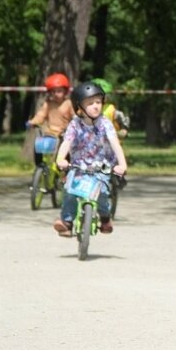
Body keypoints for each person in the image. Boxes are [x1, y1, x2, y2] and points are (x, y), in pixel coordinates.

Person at [53, 81, 128, 237]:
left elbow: (115, 144)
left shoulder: (105, 123)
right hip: (78, 166)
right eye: (90, 103)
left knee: (102, 192)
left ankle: (105, 218)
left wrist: (122, 164)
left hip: (102, 166)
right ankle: (67, 222)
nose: (96, 106)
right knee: (69, 191)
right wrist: (60, 159)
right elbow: (66, 143)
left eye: (98, 102)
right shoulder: (74, 124)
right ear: (79, 106)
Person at [27, 73, 75, 166]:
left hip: (64, 133)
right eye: (53, 91)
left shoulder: (68, 103)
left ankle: (66, 171)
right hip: (50, 132)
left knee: (66, 151)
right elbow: (41, 115)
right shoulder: (48, 103)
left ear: (65, 91)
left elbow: (75, 116)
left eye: (59, 91)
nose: (56, 94)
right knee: (39, 145)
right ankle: (40, 166)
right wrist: (33, 122)